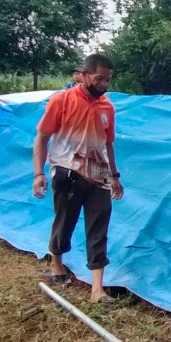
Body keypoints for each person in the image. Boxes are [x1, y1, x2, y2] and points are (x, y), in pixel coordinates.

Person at [32, 54, 125, 304]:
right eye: (98, 79)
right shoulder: (61, 101)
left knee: (98, 227)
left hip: (99, 176)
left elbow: (108, 144)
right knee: (65, 221)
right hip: (67, 172)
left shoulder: (107, 107)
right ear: (83, 75)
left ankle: (97, 290)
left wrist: (114, 176)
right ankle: (57, 264)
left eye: (107, 80)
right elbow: (41, 138)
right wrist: (39, 174)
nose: (103, 84)